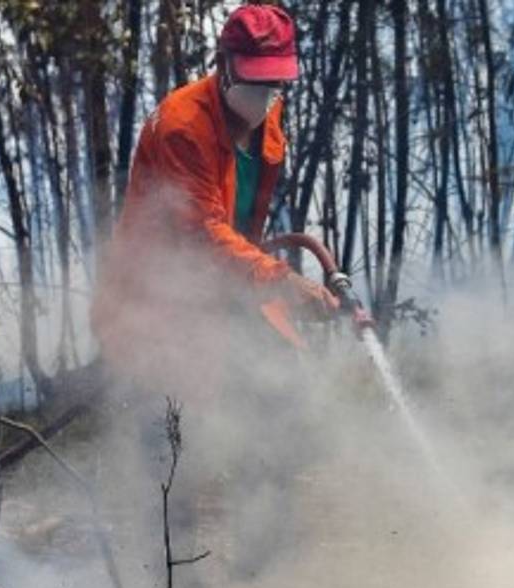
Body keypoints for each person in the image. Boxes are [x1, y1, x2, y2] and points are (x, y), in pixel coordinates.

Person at [92, 3, 338, 406]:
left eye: (273, 83)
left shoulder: (268, 120)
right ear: (224, 64)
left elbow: (237, 227)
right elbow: (202, 233)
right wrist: (279, 279)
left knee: (288, 391)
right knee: (176, 420)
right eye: (255, 81)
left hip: (230, 280)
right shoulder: (182, 128)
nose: (265, 96)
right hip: (161, 296)